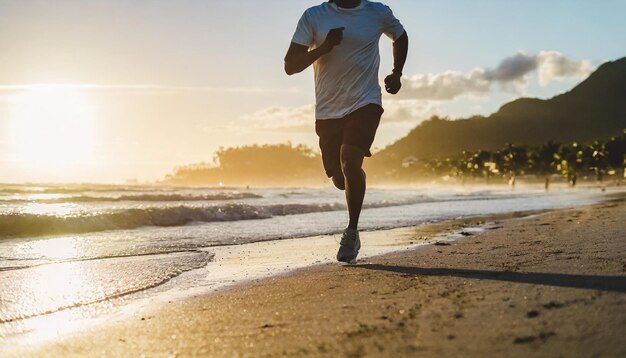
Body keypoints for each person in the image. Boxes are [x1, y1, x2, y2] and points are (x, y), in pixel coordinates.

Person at [284, 0, 408, 263]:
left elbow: (400, 35)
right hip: (328, 111)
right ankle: (350, 192)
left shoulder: (377, 12)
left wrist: (397, 72)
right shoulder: (314, 16)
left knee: (350, 161)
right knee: (341, 178)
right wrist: (324, 48)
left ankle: (351, 232)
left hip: (366, 102)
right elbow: (290, 65)